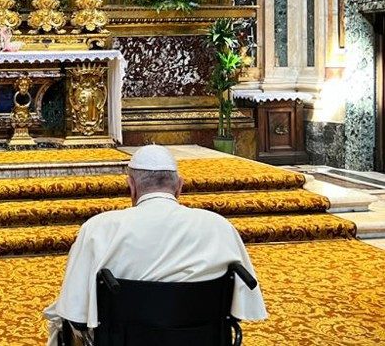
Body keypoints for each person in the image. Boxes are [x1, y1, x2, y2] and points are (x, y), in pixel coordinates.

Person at [43, 144, 267, 345]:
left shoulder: (99, 229)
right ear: (179, 186)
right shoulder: (218, 227)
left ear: (131, 186)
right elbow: (240, 309)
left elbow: (75, 313)